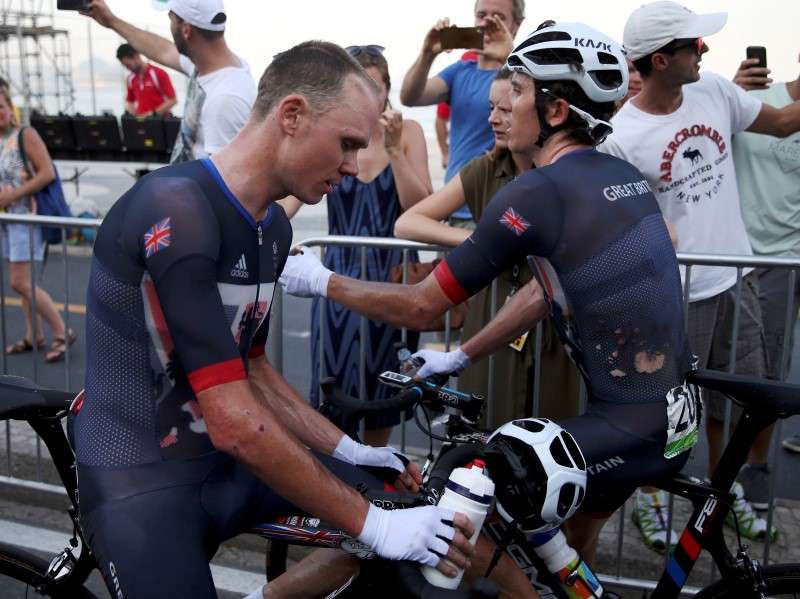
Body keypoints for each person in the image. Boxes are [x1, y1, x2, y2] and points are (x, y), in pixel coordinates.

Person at [71, 41, 492, 599]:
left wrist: (353, 452)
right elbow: (234, 419)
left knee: (404, 506)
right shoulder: (176, 208)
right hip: (142, 479)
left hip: (227, 464)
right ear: (291, 115)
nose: (351, 165)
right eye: (346, 143)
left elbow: (256, 370)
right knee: (381, 525)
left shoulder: (274, 228)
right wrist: (379, 524)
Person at [281, 21, 697, 564]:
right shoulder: (619, 176)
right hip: (670, 417)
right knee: (565, 558)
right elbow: (545, 294)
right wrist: (461, 353)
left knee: (456, 515)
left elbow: (425, 303)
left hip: (626, 426)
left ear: (554, 112)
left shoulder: (540, 190)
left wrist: (318, 280)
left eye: (518, 91)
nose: (498, 109)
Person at [600, 0, 800, 545]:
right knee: (667, 411)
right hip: (673, 299)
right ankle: (655, 499)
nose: (705, 51)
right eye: (695, 45)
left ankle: (722, 492)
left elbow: (782, 122)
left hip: (739, 282)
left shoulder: (713, 90)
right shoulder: (621, 137)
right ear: (661, 61)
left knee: (738, 402)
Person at [394, 68, 581, 425]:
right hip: (492, 322)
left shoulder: (575, 172)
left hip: (555, 330)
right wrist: (484, 241)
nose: (494, 119)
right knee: (485, 429)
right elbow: (408, 222)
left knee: (556, 431)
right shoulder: (486, 170)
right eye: (491, 108)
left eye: (507, 109)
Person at [278, 45, 432, 447]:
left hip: (392, 278)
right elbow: (291, 198)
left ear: (387, 90)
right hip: (337, 278)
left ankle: (378, 479)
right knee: (335, 381)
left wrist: (396, 150)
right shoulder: (335, 135)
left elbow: (421, 207)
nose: (368, 95)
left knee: (384, 387)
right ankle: (339, 475)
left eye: (376, 86)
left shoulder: (410, 131)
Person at [731, 54, 800, 462]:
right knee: (717, 378)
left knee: (769, 377)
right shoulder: (756, 98)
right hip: (728, 261)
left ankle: (755, 477)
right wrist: (732, 93)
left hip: (784, 264)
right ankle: (718, 485)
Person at [401, 0, 524, 226]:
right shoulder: (460, 72)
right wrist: (427, 54)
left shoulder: (518, 78)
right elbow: (410, 97)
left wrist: (509, 56)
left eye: (498, 17)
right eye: (481, 15)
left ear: (516, 24)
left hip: (499, 209)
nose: (486, 22)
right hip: (454, 205)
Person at [84, 0, 255, 162]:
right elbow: (162, 50)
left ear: (186, 29)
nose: (171, 27)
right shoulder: (205, 66)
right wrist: (111, 21)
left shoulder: (225, 99)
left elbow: (227, 185)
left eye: (171, 19)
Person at [0, 86, 75, 363]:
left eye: (1, 106)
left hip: (26, 218)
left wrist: (13, 195)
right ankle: (35, 335)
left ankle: (61, 331)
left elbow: (46, 173)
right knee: (25, 283)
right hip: (8, 220)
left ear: (10, 107)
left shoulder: (24, 135)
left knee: (20, 283)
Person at [116, 43, 177, 117]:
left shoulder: (158, 73)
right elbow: (130, 101)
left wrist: (151, 114)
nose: (127, 68)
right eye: (125, 66)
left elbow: (173, 100)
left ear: (136, 56)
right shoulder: (130, 79)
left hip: (159, 122)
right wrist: (132, 116)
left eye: (128, 65)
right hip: (141, 123)